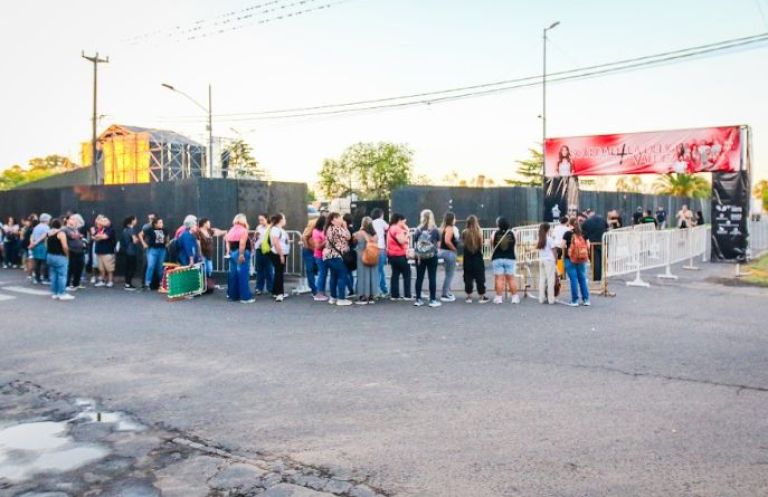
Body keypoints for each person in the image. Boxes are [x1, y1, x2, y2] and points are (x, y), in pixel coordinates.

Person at [412, 209, 441, 308]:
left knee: (419, 278)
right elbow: (438, 244)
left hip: (419, 257)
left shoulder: (418, 229)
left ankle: (418, 299)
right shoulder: (435, 230)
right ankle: (432, 300)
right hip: (432, 256)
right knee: (432, 277)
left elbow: (415, 242)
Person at [323, 212, 352, 306]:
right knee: (342, 275)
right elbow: (348, 236)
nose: (341, 219)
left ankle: (333, 297)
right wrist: (345, 227)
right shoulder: (338, 229)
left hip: (328, 256)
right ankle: (341, 298)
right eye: (338, 218)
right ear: (333, 220)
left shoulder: (328, 229)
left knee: (333, 276)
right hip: (337, 255)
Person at [226, 213, 254, 303]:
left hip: (232, 252)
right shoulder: (243, 230)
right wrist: (241, 254)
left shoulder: (231, 229)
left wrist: (228, 252)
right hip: (242, 253)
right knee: (243, 275)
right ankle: (245, 297)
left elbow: (227, 242)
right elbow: (242, 243)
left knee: (233, 274)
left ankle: (233, 295)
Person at [562, 218, 590, 307]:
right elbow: (588, 246)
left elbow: (562, 245)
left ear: (569, 224)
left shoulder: (567, 234)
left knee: (573, 279)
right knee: (582, 278)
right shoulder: (584, 233)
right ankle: (586, 300)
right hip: (581, 259)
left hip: (570, 258)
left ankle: (575, 300)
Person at [490, 217, 518, 304]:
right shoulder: (512, 233)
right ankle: (514, 298)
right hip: (510, 258)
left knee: (499, 279)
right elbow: (515, 244)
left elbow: (492, 245)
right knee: (511, 279)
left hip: (497, 258)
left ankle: (498, 298)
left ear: (498, 224)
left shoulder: (494, 233)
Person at [462, 215, 488, 304]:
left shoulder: (464, 232)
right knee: (480, 277)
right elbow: (481, 245)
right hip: (477, 257)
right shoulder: (479, 232)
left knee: (468, 276)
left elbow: (463, 244)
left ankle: (469, 297)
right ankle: (481, 296)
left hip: (467, 257)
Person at [386, 213, 412, 301]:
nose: (404, 224)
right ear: (399, 220)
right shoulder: (397, 229)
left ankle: (395, 295)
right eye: (404, 222)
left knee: (395, 275)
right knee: (407, 275)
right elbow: (401, 241)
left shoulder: (391, 228)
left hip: (392, 256)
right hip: (400, 255)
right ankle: (407, 295)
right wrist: (407, 233)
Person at [46, 219, 73, 301]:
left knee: (53, 274)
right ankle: (62, 293)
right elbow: (64, 246)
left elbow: (45, 243)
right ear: (60, 225)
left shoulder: (49, 233)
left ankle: (54, 293)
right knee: (62, 275)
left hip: (50, 255)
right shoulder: (61, 233)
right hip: (60, 256)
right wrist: (67, 254)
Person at [354, 216, 378, 305]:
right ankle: (371, 296)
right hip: (373, 255)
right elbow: (374, 241)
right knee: (372, 274)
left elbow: (354, 241)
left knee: (362, 275)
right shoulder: (375, 234)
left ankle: (363, 296)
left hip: (361, 256)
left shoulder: (359, 233)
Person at [268, 213, 290, 302]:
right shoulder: (275, 230)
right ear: (280, 220)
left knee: (278, 272)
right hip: (278, 253)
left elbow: (282, 241)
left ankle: (275, 291)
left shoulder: (279, 229)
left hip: (281, 252)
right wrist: (281, 255)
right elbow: (276, 243)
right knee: (279, 273)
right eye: (284, 218)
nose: (285, 220)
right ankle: (279, 293)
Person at [581, 209, 608, 281]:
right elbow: (606, 229)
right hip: (603, 242)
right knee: (602, 260)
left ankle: (596, 277)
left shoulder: (586, 222)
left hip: (592, 243)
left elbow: (584, 235)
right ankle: (602, 275)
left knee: (595, 261)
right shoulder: (602, 220)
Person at [143, 217, 168, 290]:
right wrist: (144, 244)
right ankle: (147, 283)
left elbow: (167, 238)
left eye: (162, 222)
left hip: (162, 250)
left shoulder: (164, 230)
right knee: (151, 266)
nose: (162, 224)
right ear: (155, 224)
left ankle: (161, 283)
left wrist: (167, 243)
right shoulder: (150, 230)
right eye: (160, 222)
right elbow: (141, 234)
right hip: (153, 250)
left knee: (160, 268)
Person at [438, 212, 458, 302]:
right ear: (451, 219)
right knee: (449, 274)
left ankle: (447, 292)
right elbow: (447, 241)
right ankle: (445, 294)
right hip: (449, 253)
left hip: (442, 251)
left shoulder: (443, 228)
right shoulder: (450, 228)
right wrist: (454, 249)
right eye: (454, 218)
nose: (456, 220)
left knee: (448, 274)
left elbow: (440, 242)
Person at [63, 214, 86, 290]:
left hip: (80, 251)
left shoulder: (75, 229)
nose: (74, 220)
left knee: (79, 267)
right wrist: (79, 235)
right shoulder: (65, 229)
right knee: (71, 268)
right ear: (68, 220)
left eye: (75, 219)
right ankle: (67, 284)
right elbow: (73, 236)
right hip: (72, 251)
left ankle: (76, 283)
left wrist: (79, 235)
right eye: (72, 219)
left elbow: (79, 236)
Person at [93, 216, 117, 288]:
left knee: (109, 268)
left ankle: (110, 281)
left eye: (105, 221)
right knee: (101, 268)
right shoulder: (100, 229)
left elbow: (105, 237)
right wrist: (98, 236)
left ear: (108, 222)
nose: (103, 222)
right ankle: (102, 281)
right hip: (99, 251)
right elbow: (93, 237)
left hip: (108, 252)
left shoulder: (110, 229)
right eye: (102, 221)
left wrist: (98, 236)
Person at [537, 222, 558, 304]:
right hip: (549, 260)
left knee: (542, 279)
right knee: (550, 280)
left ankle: (541, 298)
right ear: (548, 229)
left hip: (541, 259)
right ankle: (551, 299)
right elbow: (554, 250)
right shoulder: (549, 239)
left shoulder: (540, 239)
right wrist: (556, 259)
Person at [253, 214, 274, 296]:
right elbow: (255, 239)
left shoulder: (271, 228)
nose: (260, 221)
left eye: (262, 220)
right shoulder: (258, 227)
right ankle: (259, 288)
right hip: (259, 249)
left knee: (269, 269)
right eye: (259, 220)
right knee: (259, 270)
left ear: (266, 219)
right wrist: (255, 237)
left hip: (268, 251)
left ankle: (270, 288)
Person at [119, 216, 141, 290]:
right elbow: (135, 240)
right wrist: (138, 239)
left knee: (128, 268)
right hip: (131, 252)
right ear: (132, 221)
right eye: (135, 219)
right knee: (131, 268)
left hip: (126, 251)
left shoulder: (125, 230)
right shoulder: (131, 230)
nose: (136, 221)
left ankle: (127, 283)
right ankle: (128, 284)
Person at [371, 208, 389, 297]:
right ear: (380, 214)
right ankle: (380, 290)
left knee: (376, 270)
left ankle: (380, 289)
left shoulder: (371, 222)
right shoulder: (381, 221)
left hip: (372, 249)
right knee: (380, 270)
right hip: (381, 248)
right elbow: (388, 228)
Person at [29, 213, 51, 285]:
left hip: (36, 247)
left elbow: (32, 236)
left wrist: (33, 243)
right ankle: (45, 278)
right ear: (46, 220)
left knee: (37, 263)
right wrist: (36, 242)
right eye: (49, 219)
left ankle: (37, 278)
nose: (49, 221)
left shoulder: (36, 227)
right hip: (43, 246)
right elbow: (44, 236)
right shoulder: (46, 227)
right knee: (45, 263)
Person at [311, 215, 329, 302]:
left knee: (324, 274)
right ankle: (319, 293)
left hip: (325, 255)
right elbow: (317, 246)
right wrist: (326, 241)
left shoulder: (323, 230)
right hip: (319, 255)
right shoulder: (316, 232)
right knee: (322, 274)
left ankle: (322, 291)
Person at [301, 219, 318, 297]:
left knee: (314, 269)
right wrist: (307, 247)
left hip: (314, 249)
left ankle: (314, 288)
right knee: (310, 269)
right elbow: (304, 237)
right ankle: (314, 290)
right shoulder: (314, 224)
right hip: (310, 250)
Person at [343, 213, 356, 297]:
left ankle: (350, 289)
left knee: (345, 271)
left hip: (345, 252)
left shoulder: (345, 230)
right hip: (352, 252)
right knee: (349, 272)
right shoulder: (352, 229)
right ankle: (351, 289)